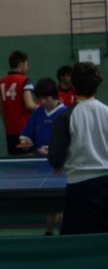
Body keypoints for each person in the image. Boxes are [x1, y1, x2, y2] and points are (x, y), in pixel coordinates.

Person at [48, 62, 108, 235]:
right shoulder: (106, 111)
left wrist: (57, 163)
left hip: (80, 187)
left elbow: (56, 157)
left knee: (75, 240)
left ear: (73, 84)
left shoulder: (65, 116)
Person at [0, 50, 36, 155]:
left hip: (10, 131)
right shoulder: (25, 81)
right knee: (29, 162)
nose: (27, 67)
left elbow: (1, 109)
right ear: (21, 65)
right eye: (26, 64)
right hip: (26, 131)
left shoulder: (0, 82)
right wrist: (43, 105)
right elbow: (29, 105)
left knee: (15, 162)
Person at [17, 78, 67, 157]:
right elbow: (27, 134)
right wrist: (25, 142)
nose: (42, 101)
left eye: (46, 98)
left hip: (60, 160)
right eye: (39, 98)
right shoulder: (36, 113)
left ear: (54, 95)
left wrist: (53, 150)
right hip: (39, 161)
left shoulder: (65, 114)